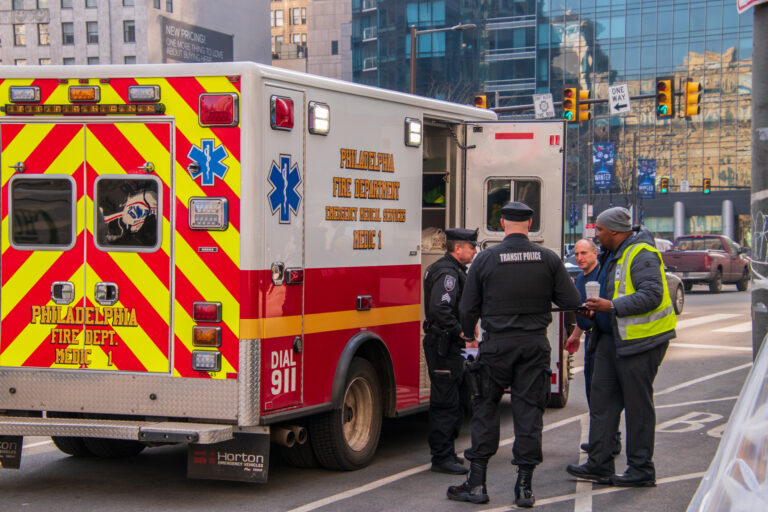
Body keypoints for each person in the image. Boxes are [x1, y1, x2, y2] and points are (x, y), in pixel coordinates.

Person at [447, 202, 581, 508]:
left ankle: (477, 483)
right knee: (529, 414)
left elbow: (467, 307)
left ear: (503, 223)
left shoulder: (486, 260)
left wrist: (469, 335)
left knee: (485, 410)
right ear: (531, 222)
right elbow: (570, 300)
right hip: (534, 346)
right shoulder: (548, 259)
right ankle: (524, 488)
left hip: (496, 347)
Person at [566, 207, 676, 488]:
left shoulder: (641, 254)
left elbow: (652, 295)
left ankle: (641, 469)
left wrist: (611, 306)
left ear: (614, 231)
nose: (596, 235)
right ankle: (599, 464)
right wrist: (595, 311)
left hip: (640, 342)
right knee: (602, 402)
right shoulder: (611, 254)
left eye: (600, 230)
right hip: (610, 337)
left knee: (637, 407)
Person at [423, 227, 479, 475]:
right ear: (458, 248)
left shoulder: (452, 270)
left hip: (449, 344)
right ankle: (441, 457)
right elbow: (440, 309)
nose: (475, 250)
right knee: (445, 402)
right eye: (471, 246)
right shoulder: (447, 273)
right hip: (444, 344)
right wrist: (461, 332)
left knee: (457, 398)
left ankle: (448, 453)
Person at [564, 239, 621, 456]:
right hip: (590, 337)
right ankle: (602, 438)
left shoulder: (601, 276)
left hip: (603, 337)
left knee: (602, 394)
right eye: (577, 253)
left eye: (584, 253)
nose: (580, 257)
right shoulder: (581, 279)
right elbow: (582, 311)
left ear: (595, 253)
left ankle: (610, 439)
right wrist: (575, 336)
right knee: (591, 391)